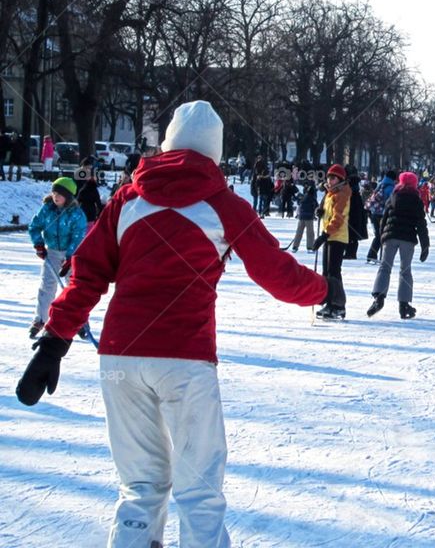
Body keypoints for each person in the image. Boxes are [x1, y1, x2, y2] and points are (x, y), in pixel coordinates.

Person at [16, 100, 328, 547]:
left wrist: (55, 340)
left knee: (140, 488)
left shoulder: (128, 198)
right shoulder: (224, 203)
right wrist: (323, 289)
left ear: (167, 145)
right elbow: (276, 274)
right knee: (198, 491)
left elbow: (88, 273)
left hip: (121, 357)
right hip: (186, 359)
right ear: (214, 153)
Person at [26, 176, 88, 338]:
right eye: (54, 192)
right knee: (47, 285)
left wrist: (70, 257)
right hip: (52, 251)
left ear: (68, 196)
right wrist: (39, 244)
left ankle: (80, 321)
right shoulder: (47, 209)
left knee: (73, 288)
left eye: (60, 193)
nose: (56, 196)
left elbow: (78, 235)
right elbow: (34, 227)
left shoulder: (76, 214)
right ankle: (40, 319)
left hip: (72, 253)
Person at [366, 171, 429, 319]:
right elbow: (421, 224)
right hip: (407, 239)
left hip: (391, 236)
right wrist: (425, 245)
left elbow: (385, 217)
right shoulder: (416, 200)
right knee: (405, 270)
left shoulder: (394, 197)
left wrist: (382, 236)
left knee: (385, 267)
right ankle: (404, 304)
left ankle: (378, 298)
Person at [314, 164, 351, 320]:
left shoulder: (342, 193)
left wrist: (324, 235)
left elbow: (338, 218)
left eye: (333, 178)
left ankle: (338, 305)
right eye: (329, 177)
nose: (330, 180)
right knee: (326, 272)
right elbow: (328, 212)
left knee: (333, 272)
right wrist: (320, 211)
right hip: (329, 236)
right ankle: (329, 302)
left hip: (337, 237)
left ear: (340, 179)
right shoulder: (329, 194)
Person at [365, 170, 396, 264]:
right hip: (383, 214)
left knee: (378, 236)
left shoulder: (380, 184)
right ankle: (381, 257)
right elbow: (391, 202)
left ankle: (372, 255)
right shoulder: (391, 187)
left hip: (374, 213)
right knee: (383, 236)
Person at [75, 156, 105, 231]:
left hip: (85, 206)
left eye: (90, 168)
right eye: (88, 168)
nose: (89, 170)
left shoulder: (87, 175)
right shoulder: (80, 174)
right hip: (80, 200)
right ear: (84, 166)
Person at [290, 181, 318, 252]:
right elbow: (316, 208)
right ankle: (310, 247)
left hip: (301, 217)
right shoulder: (313, 199)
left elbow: (299, 204)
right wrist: (316, 215)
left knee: (299, 232)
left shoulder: (303, 197)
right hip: (309, 218)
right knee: (310, 233)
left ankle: (295, 246)